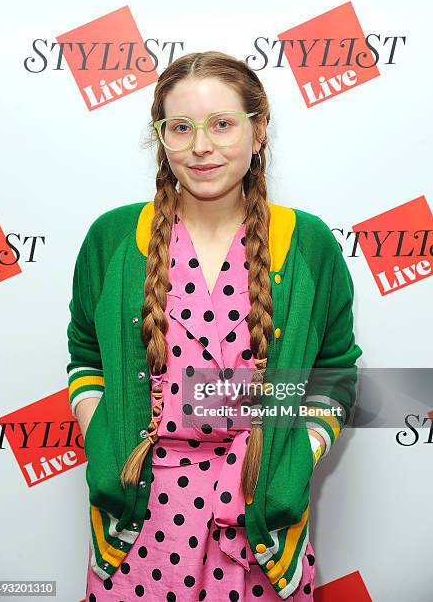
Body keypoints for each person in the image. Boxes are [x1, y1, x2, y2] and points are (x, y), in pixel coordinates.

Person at [67, 51, 363, 601]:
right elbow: (85, 352)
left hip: (260, 534)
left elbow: (335, 370)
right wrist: (103, 436)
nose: (201, 146)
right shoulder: (112, 240)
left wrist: (294, 459)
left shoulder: (309, 246)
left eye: (222, 124)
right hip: (138, 532)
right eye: (181, 128)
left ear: (258, 131)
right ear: (162, 138)